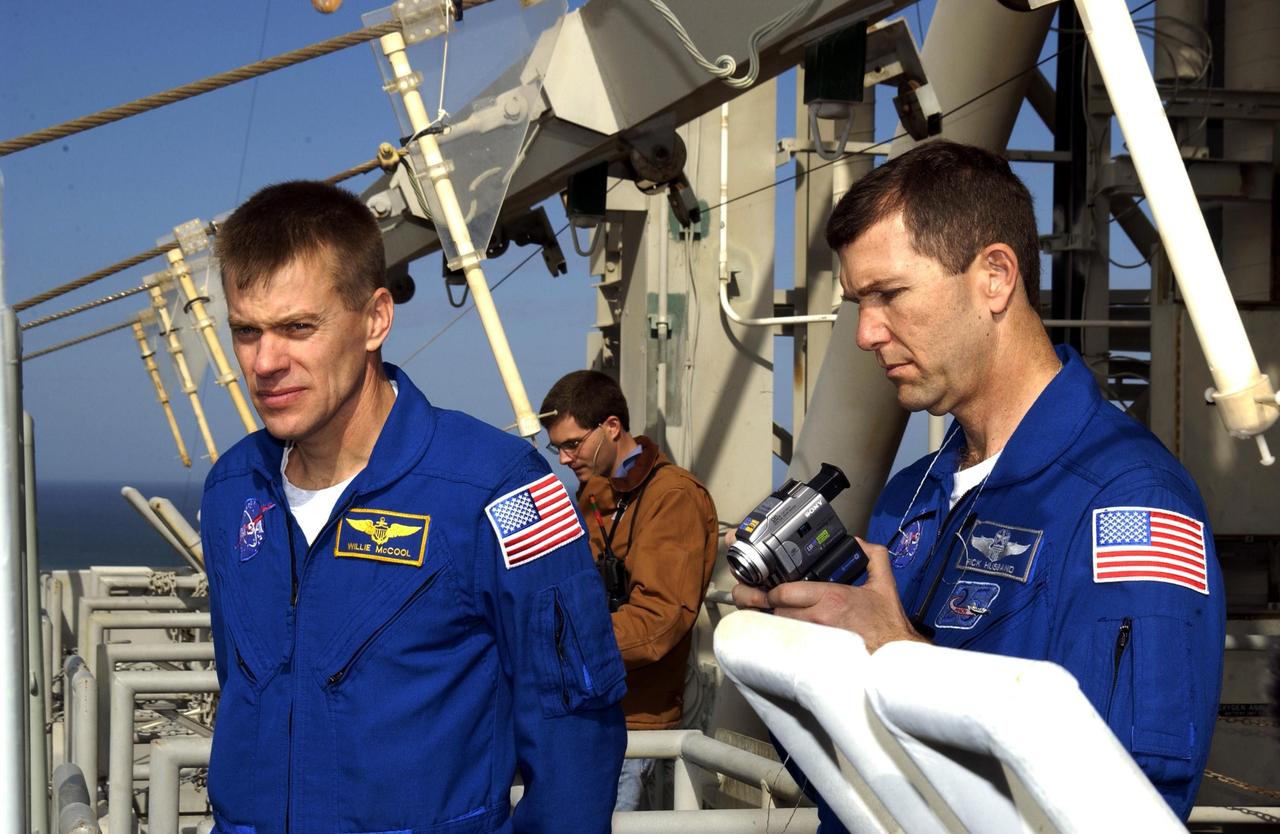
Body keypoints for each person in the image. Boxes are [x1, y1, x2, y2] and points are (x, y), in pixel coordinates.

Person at [731, 140, 1224, 822]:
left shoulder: (1129, 501)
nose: (866, 333)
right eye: (857, 302)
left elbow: (1126, 800)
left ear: (994, 277)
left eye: (890, 295)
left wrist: (901, 659)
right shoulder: (911, 495)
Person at [201, 180, 627, 834]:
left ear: (375, 319)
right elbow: (245, 691)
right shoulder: (233, 491)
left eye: (297, 328)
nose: (265, 362)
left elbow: (574, 729)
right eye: (246, 332)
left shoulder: (500, 491)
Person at [540, 371, 718, 811]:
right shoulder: (595, 493)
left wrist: (560, 648)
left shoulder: (673, 497)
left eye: (572, 444)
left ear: (612, 427)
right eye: (556, 447)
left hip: (631, 720)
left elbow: (659, 621)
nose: (563, 459)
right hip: (589, 709)